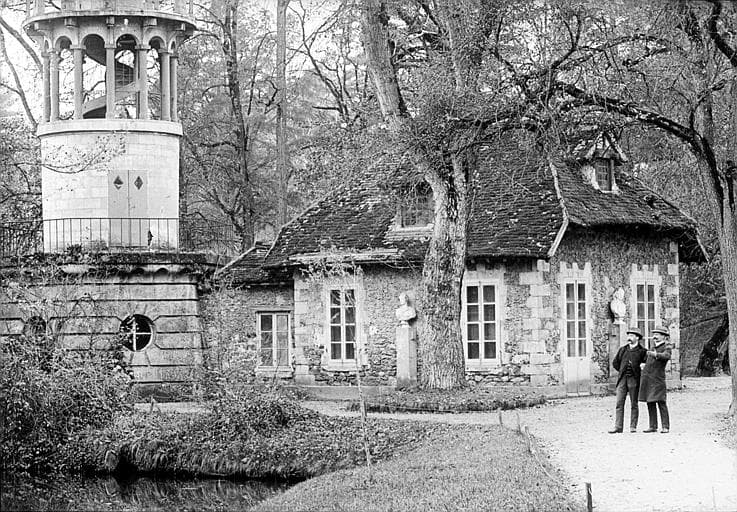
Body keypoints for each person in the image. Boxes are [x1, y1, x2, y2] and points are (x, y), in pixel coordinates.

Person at [609, 327, 648, 433]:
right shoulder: (623, 350)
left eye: (631, 336)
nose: (629, 338)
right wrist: (622, 370)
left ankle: (633, 426)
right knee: (619, 403)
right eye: (628, 335)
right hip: (622, 379)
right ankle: (618, 427)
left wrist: (638, 370)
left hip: (634, 380)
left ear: (637, 338)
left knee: (634, 403)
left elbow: (645, 365)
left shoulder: (642, 351)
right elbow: (615, 363)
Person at [638, 325, 672, 433]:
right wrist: (644, 365)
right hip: (648, 378)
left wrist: (655, 354)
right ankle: (653, 426)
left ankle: (665, 426)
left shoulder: (667, 347)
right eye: (654, 334)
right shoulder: (652, 346)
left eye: (657, 334)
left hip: (658, 379)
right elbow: (647, 358)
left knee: (661, 402)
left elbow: (666, 356)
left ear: (663, 336)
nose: (654, 337)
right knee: (650, 401)